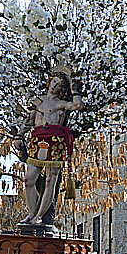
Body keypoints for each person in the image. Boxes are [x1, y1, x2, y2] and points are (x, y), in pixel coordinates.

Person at [19, 72, 82, 225]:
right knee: (29, 179)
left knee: (49, 180)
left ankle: (39, 216)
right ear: (49, 82)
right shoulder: (38, 101)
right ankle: (31, 213)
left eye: (59, 85)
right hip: (37, 140)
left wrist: (75, 91)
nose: (54, 86)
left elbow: (77, 105)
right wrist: (19, 136)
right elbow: (29, 120)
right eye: (53, 82)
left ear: (62, 89)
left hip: (55, 142)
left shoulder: (61, 104)